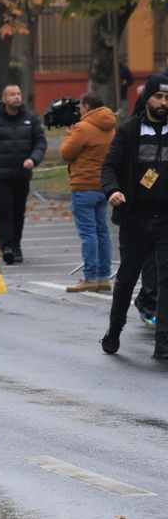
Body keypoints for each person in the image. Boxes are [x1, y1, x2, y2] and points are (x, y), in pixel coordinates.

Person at [100, 74, 168, 361]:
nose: (164, 103)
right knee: (127, 278)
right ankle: (115, 329)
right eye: (159, 97)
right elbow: (109, 167)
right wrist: (113, 191)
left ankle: (163, 341)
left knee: (167, 281)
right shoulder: (130, 131)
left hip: (166, 219)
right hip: (136, 218)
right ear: (148, 98)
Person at [60, 91, 116, 292]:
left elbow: (66, 153)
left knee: (88, 234)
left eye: (81, 107)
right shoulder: (109, 126)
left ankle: (90, 276)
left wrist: (69, 133)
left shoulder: (83, 127)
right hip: (103, 186)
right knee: (102, 232)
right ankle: (103, 276)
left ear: (87, 107)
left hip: (83, 186)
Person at [0, 84, 45, 264]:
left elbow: (40, 142)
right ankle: (7, 246)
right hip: (1, 175)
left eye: (18, 93)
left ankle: (16, 245)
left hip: (22, 174)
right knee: (5, 210)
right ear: (4, 99)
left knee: (19, 211)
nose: (17, 97)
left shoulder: (30, 119)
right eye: (12, 94)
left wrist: (34, 159)